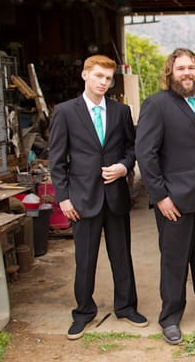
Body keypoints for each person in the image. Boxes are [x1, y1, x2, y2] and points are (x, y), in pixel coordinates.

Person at [49, 54, 148, 340]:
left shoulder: (120, 111)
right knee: (85, 259)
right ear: (85, 75)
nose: (103, 83)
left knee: (122, 256)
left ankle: (127, 307)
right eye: (98, 77)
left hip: (116, 196)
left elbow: (132, 149)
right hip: (82, 199)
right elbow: (57, 161)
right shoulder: (66, 112)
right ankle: (83, 312)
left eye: (108, 78)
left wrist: (123, 167)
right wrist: (64, 198)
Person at [135, 48, 195, 345]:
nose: (187, 73)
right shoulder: (157, 104)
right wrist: (160, 195)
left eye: (191, 68)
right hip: (173, 198)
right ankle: (170, 317)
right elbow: (145, 154)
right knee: (174, 259)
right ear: (170, 73)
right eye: (181, 69)